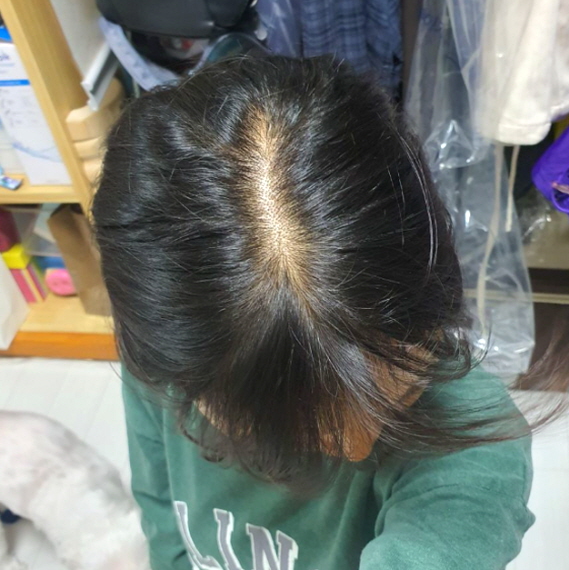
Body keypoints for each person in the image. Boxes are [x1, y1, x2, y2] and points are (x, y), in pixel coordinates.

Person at [92, 56, 534, 570]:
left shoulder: (474, 448)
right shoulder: (176, 359)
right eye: (294, 430)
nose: (356, 448)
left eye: (397, 393)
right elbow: (161, 514)